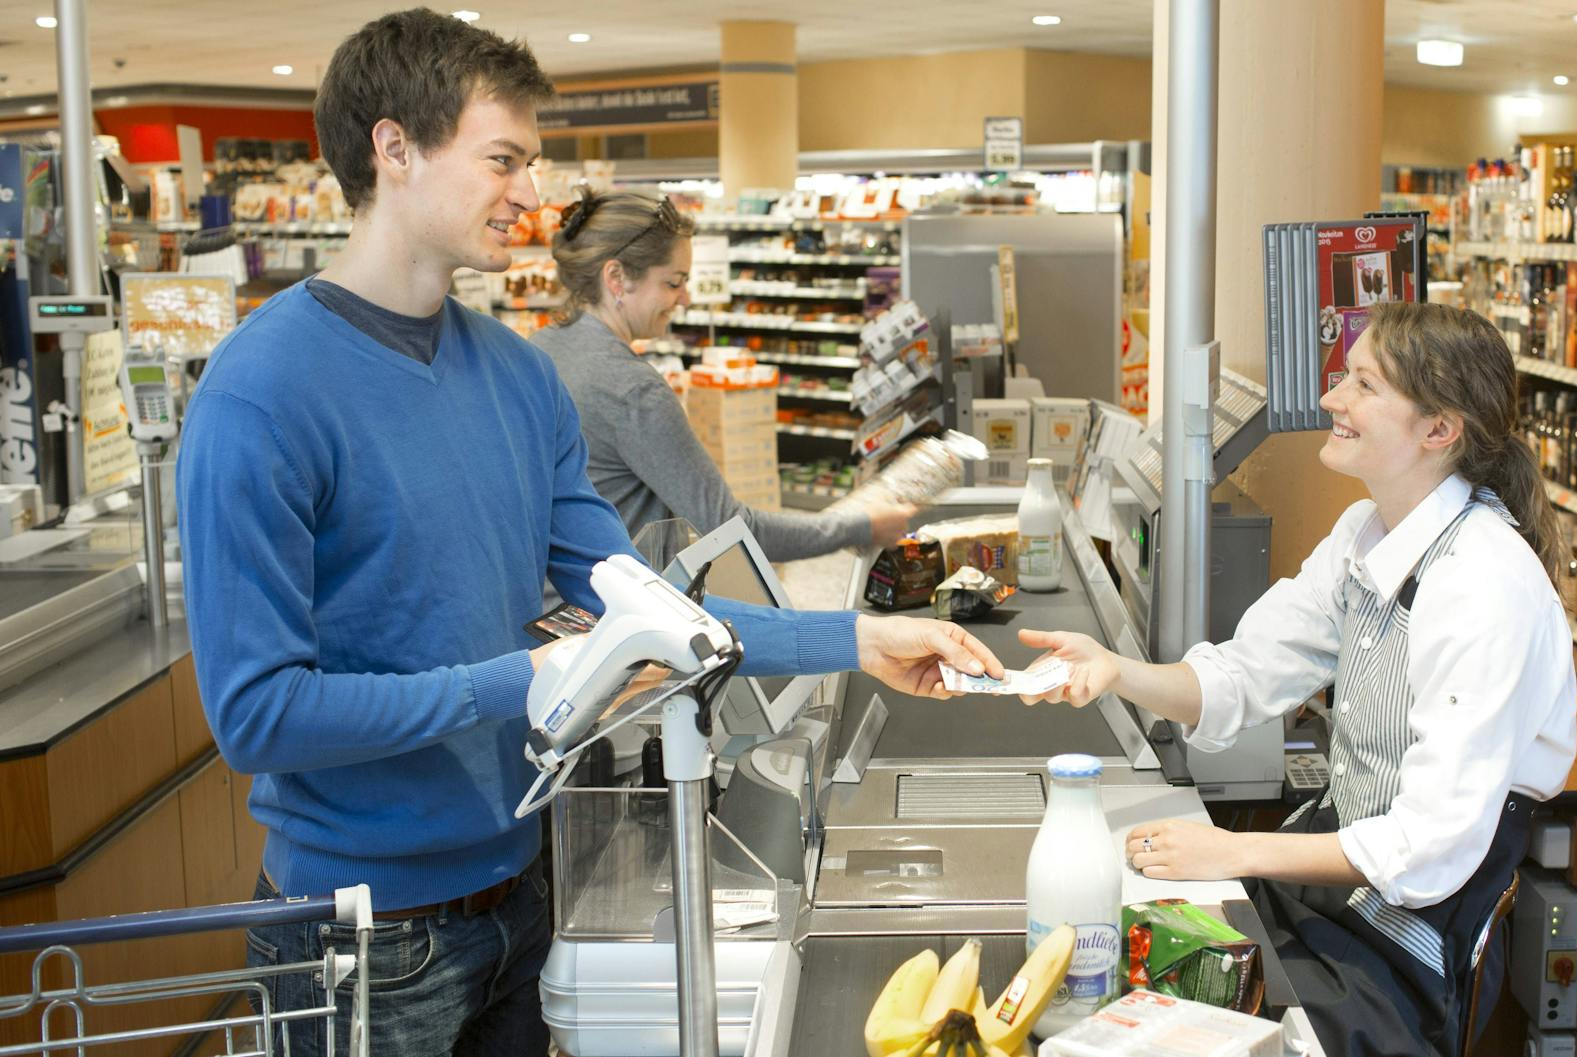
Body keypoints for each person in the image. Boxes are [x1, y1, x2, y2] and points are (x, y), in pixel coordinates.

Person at [175, 10, 1001, 1055]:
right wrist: (522, 678)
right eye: (502, 159)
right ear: (394, 149)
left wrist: (857, 641)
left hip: (522, 902)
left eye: (532, 160)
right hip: (360, 941)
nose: (530, 193)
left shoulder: (517, 377)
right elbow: (256, 714)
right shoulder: (262, 391)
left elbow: (648, 607)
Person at [1017, 302, 1575, 1057]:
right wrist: (1115, 671)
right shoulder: (1363, 534)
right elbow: (1246, 675)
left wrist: (1232, 852)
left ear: (1439, 429)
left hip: (1399, 962)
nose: (1332, 399)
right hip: (1324, 901)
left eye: (1364, 385)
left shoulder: (1485, 582)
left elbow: (1426, 844)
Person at [531, 186, 915, 559]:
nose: (686, 298)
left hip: (553, 602)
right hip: (616, 611)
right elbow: (732, 529)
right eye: (674, 282)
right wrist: (860, 526)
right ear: (616, 278)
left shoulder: (536, 352)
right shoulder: (633, 390)